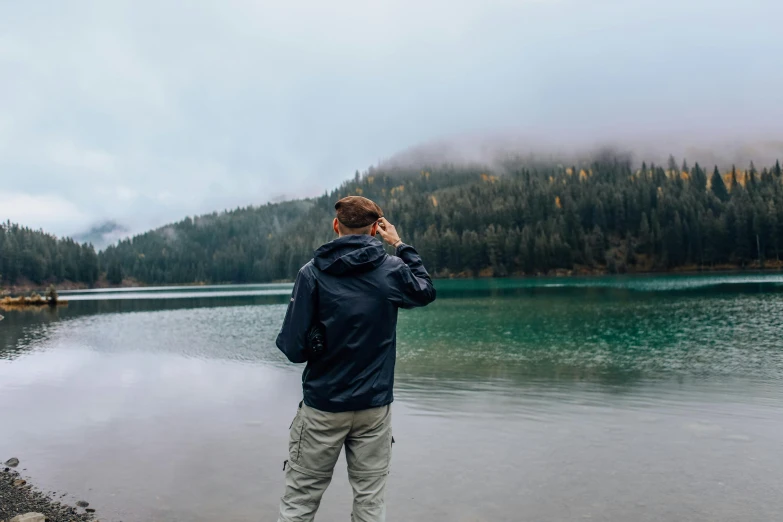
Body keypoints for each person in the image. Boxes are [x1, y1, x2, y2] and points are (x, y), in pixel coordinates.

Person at [275, 195, 436, 522]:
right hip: (373, 408)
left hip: (323, 406)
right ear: (376, 229)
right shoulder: (391, 270)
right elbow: (424, 290)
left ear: (336, 226)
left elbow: (293, 349)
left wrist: (318, 344)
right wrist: (401, 245)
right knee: (370, 501)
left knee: (300, 502)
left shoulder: (312, 274)